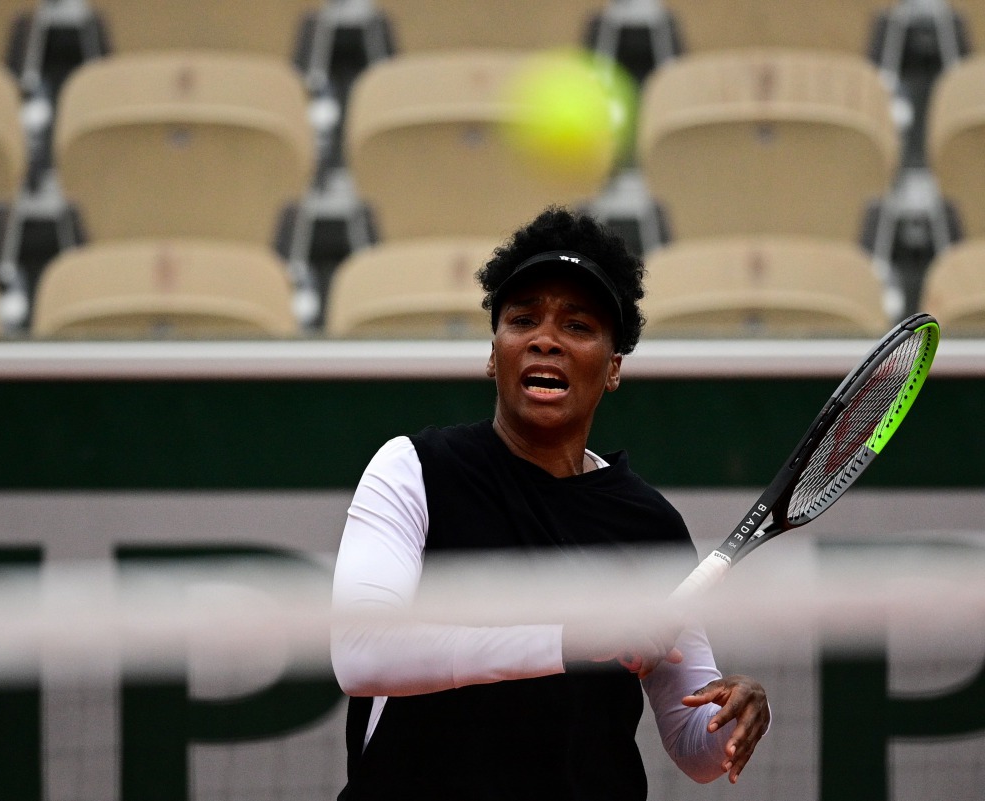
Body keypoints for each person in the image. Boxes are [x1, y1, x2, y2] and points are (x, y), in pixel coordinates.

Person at [330, 206, 770, 800]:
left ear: (613, 369)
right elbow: (362, 657)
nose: (545, 339)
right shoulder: (413, 469)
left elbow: (694, 747)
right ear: (494, 355)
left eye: (578, 326)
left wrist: (731, 721)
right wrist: (567, 640)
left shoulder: (648, 526)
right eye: (523, 319)